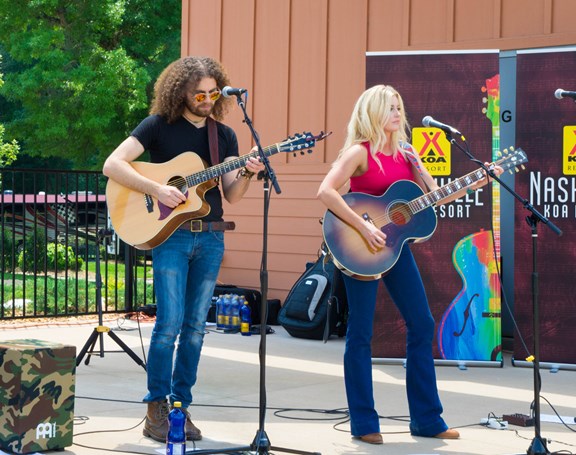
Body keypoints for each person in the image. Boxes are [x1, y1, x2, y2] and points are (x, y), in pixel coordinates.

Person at [317, 84, 503, 445]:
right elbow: (326, 190)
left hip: (396, 249)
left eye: (399, 106)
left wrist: (478, 179)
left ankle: (427, 420)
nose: (398, 113)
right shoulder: (359, 152)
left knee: (421, 323)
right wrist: (364, 226)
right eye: (390, 107)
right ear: (373, 112)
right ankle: (364, 423)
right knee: (361, 333)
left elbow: (436, 196)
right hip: (359, 246)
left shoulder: (408, 153)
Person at [103, 56, 264, 442]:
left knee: (195, 329)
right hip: (171, 237)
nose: (207, 99)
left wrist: (247, 172)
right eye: (199, 94)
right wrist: (158, 189)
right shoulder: (158, 127)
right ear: (182, 93)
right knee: (168, 326)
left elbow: (232, 195)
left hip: (211, 236)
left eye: (212, 93)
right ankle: (155, 407)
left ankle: (180, 407)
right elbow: (113, 164)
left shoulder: (223, 136)